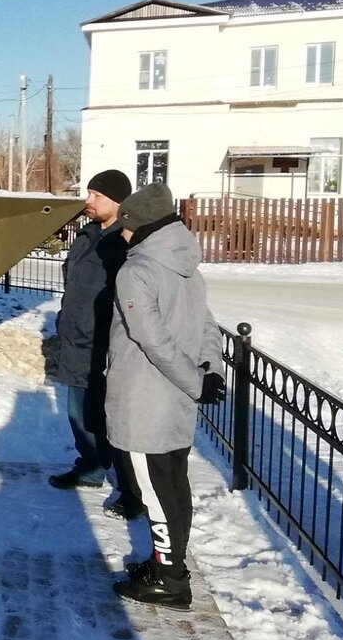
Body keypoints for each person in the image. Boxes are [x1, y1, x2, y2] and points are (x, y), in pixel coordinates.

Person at [105, 182, 225, 611]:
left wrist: (197, 379)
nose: (120, 234)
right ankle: (166, 565)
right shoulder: (187, 267)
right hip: (175, 401)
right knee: (173, 486)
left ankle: (171, 582)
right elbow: (208, 325)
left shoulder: (136, 270)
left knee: (157, 493)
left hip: (145, 402)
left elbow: (150, 338)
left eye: (125, 227)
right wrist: (209, 372)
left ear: (142, 228)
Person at [49, 169, 145, 521]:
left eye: (96, 195)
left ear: (118, 201)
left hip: (107, 347)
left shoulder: (126, 243)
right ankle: (90, 467)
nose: (88, 201)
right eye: (88, 193)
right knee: (80, 414)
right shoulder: (87, 235)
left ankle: (132, 492)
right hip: (77, 343)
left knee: (116, 421)